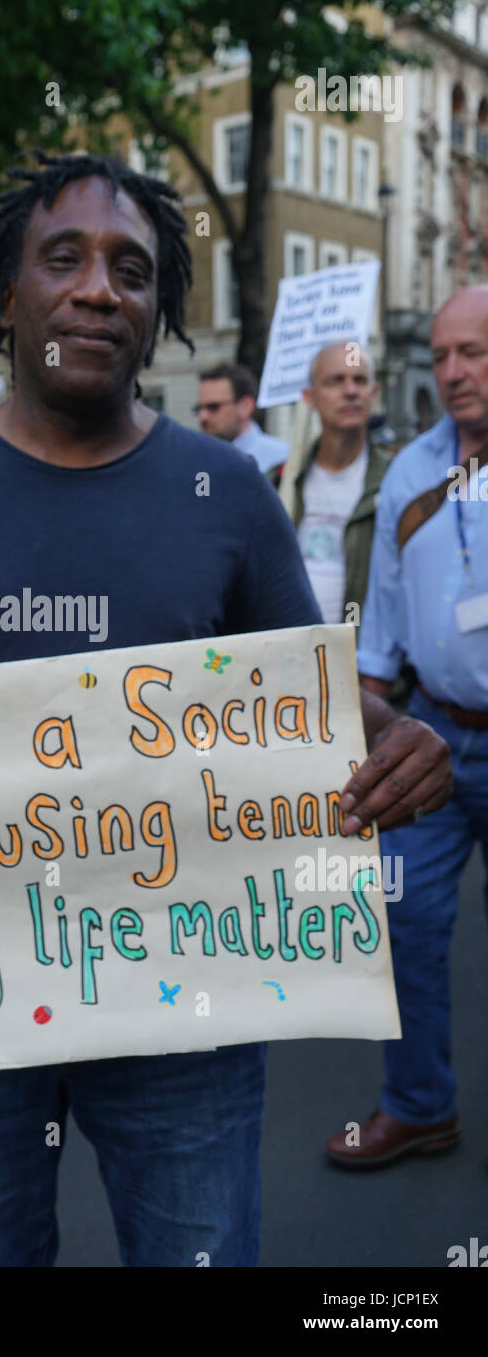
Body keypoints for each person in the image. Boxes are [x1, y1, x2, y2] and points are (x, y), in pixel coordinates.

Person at [0, 153, 451, 1268]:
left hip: (193, 1017)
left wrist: (402, 740)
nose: (97, 288)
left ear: (159, 306)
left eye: (133, 268)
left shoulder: (225, 496)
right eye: (61, 258)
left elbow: (317, 699)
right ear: (6, 295)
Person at [326, 285, 488, 1169]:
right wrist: (366, 721)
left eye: (473, 353)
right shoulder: (410, 474)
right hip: (430, 732)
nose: (453, 372)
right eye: (441, 356)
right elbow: (382, 616)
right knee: (399, 916)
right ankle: (420, 1106)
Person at [291, 342, 390, 627]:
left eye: (359, 380)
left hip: (362, 658)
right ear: (309, 396)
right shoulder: (281, 481)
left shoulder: (395, 481)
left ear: (374, 393)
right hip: (293, 654)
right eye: (335, 381)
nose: (350, 391)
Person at [195, 362, 289, 484]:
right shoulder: (198, 462)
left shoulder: (280, 458)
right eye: (198, 408)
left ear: (246, 407)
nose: (203, 416)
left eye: (213, 407)